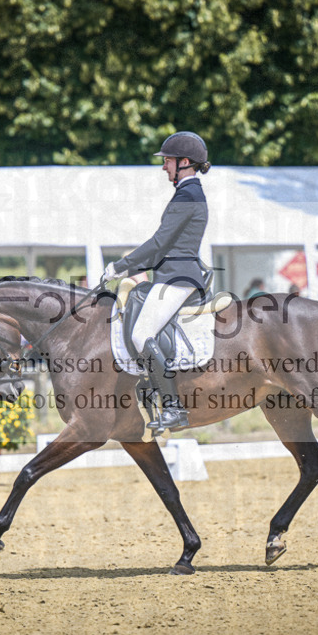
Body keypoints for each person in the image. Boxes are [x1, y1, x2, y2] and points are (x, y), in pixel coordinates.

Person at [102, 131, 211, 431]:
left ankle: (174, 408)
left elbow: (159, 242)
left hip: (178, 278)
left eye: (167, 161)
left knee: (141, 334)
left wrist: (119, 267)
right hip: (172, 274)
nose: (164, 167)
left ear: (184, 162)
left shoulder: (188, 195)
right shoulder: (187, 193)